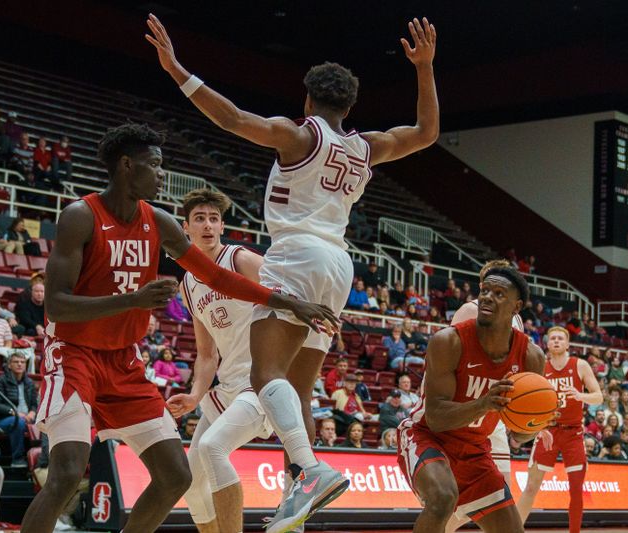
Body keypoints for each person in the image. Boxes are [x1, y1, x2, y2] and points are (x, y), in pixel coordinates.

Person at [147, 12, 438, 531]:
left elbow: (233, 118)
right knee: (297, 393)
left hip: (295, 254)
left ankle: (307, 470)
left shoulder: (298, 134)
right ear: (350, 106)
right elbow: (426, 132)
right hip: (340, 264)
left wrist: (175, 69)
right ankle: (296, 505)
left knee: (265, 375)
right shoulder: (364, 145)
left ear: (308, 100)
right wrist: (424, 69)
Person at [23, 123, 337, 533]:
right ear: (125, 165)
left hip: (124, 362)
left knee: (177, 475)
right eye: (154, 165)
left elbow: (217, 277)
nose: (162, 174)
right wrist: (133, 301)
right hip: (73, 354)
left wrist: (288, 301)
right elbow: (58, 305)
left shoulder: (161, 222)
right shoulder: (80, 216)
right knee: (66, 472)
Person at [397, 267, 546, 533]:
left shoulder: (531, 357)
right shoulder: (448, 341)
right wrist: (484, 404)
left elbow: (519, 436)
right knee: (443, 499)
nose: (487, 298)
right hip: (426, 436)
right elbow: (437, 419)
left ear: (517, 306)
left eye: (499, 293)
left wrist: (537, 421)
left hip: (476, 449)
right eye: (485, 291)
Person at [165, 188, 275, 533]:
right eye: (200, 219)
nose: (208, 225)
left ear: (222, 226)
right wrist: (196, 394)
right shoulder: (188, 284)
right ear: (186, 228)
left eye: (214, 218)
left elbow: (290, 301)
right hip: (227, 387)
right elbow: (207, 352)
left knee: (213, 448)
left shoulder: (241, 259)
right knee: (191, 483)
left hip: (261, 383)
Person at [517, 326, 602, 533]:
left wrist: (581, 396)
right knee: (530, 487)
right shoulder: (540, 367)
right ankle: (513, 529)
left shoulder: (579, 365)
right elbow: (529, 402)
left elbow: (598, 396)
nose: (555, 341)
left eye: (560, 338)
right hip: (547, 431)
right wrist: (537, 427)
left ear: (567, 344)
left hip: (573, 433)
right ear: (547, 343)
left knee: (575, 489)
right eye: (552, 338)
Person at [0, 351, 37, 467]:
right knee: (18, 422)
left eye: (22, 362)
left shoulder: (29, 382)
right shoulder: (0, 380)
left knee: (47, 421)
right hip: (3, 420)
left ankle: (42, 459)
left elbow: (34, 404)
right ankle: (17, 459)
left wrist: (32, 413)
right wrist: (16, 413)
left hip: (27, 417)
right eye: (16, 362)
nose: (20, 364)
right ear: (9, 365)